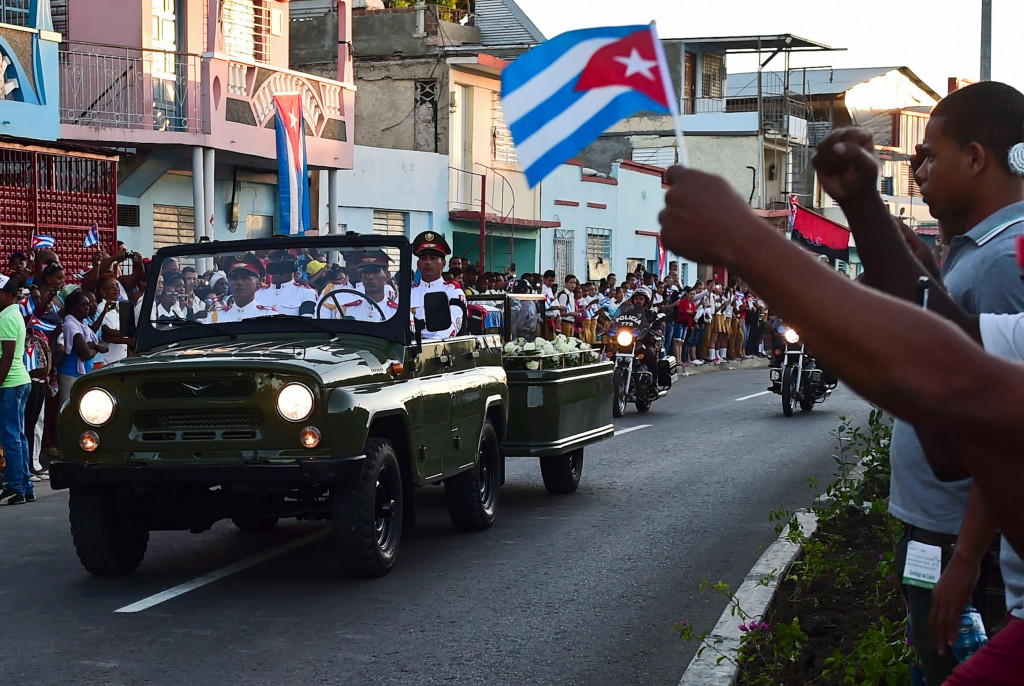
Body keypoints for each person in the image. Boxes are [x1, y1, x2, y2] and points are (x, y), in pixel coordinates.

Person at [657, 154, 1024, 686]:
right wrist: (863, 208)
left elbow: (946, 383)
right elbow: (935, 352)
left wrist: (746, 242)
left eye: (932, 154)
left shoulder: (998, 263)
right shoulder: (988, 266)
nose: (920, 169)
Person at [0, 274, 33, 505]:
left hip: (10, 383)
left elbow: (8, 355)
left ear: (7, 295)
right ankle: (25, 485)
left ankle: (15, 487)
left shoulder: (6, 317)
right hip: (19, 380)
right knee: (18, 435)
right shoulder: (14, 313)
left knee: (10, 435)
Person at [57, 289, 108, 411]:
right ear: (72, 308)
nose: (87, 308)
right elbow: (85, 353)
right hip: (71, 374)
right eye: (82, 305)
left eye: (87, 304)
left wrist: (93, 346)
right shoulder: (70, 324)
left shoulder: (83, 324)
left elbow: (105, 347)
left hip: (83, 374)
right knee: (69, 411)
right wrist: (95, 347)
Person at [409, 232, 465, 339]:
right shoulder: (408, 292)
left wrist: (431, 344)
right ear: (418, 264)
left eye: (433, 258)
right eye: (423, 258)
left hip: (439, 348)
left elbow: (452, 325)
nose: (427, 262)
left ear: (443, 263)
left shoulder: (452, 291)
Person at [326, 251, 398, 322]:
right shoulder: (347, 311)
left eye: (375, 271)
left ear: (387, 276)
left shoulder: (396, 312)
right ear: (361, 277)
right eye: (365, 272)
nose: (369, 276)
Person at [206, 256, 276, 323]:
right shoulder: (216, 317)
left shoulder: (269, 316)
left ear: (257, 285)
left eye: (245, 278)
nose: (238, 282)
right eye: (234, 278)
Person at [256, 251, 317, 316]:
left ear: (294, 268)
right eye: (274, 266)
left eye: (286, 266)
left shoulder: (306, 293)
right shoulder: (257, 293)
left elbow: (306, 321)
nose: (279, 269)